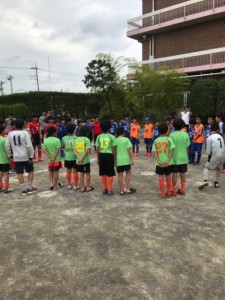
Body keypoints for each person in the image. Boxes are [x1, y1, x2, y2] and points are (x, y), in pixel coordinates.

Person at [5, 118, 38, 196]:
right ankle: (30, 188)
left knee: (19, 172)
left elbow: (7, 146)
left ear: (14, 125)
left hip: (16, 156)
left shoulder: (10, 133)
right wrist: (31, 157)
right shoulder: (25, 133)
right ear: (23, 125)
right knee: (30, 171)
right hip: (26, 155)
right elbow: (29, 146)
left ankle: (23, 190)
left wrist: (10, 155)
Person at [199, 123, 225, 190]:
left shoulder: (210, 138)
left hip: (216, 155)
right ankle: (216, 182)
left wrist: (209, 160)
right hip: (223, 155)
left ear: (211, 129)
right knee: (219, 168)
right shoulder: (220, 137)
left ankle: (205, 181)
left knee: (207, 167)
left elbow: (208, 151)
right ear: (218, 130)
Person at [152, 124, 175, 198]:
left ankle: (162, 193)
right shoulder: (169, 139)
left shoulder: (156, 140)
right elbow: (172, 151)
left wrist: (158, 161)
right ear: (167, 131)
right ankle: (168, 192)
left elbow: (155, 152)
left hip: (160, 163)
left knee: (161, 177)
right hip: (168, 163)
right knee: (168, 176)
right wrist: (168, 160)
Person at [170, 118, 190, 196]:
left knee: (174, 174)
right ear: (182, 126)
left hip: (174, 158)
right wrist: (187, 155)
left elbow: (171, 147)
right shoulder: (185, 134)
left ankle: (174, 191)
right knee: (182, 174)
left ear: (173, 126)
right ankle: (182, 190)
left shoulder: (172, 135)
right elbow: (187, 147)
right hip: (183, 158)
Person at [95, 120, 116, 195]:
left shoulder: (99, 137)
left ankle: (105, 189)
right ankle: (110, 190)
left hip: (101, 155)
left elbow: (97, 148)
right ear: (109, 128)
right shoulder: (112, 137)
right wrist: (114, 159)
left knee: (103, 173)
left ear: (100, 128)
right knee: (110, 173)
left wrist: (98, 158)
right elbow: (114, 149)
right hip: (109, 155)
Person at [115, 127, 136, 195]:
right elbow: (129, 151)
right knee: (128, 173)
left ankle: (121, 190)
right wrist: (132, 159)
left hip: (119, 160)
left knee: (120, 174)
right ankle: (126, 188)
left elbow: (114, 152)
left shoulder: (115, 140)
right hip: (126, 160)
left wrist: (114, 160)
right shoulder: (126, 139)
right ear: (123, 133)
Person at [74, 126, 93, 192]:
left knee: (81, 173)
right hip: (85, 160)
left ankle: (82, 187)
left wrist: (79, 157)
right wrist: (82, 157)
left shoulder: (76, 139)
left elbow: (74, 150)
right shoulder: (86, 139)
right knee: (87, 173)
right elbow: (87, 150)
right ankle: (88, 187)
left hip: (78, 160)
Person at [43, 126, 62, 191]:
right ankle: (55, 186)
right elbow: (57, 149)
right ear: (54, 132)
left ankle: (51, 184)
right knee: (56, 172)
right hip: (56, 159)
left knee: (51, 171)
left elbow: (44, 150)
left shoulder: (46, 140)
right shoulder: (57, 140)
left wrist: (50, 157)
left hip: (50, 160)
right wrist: (54, 157)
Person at [62, 123, 79, 190]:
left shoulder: (64, 138)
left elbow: (62, 146)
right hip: (75, 156)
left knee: (68, 170)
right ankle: (75, 185)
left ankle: (69, 185)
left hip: (67, 157)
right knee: (75, 171)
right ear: (74, 130)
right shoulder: (76, 138)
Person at [0, 125, 12, 193]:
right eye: (4, 130)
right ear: (2, 131)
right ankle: (6, 188)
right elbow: (7, 150)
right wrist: (9, 158)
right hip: (4, 159)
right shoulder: (4, 139)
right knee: (6, 173)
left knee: (0, 172)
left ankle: (0, 186)